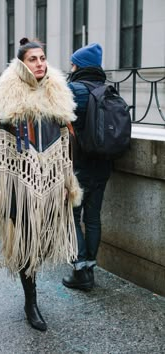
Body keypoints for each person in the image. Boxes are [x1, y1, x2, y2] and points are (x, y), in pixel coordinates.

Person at [0, 37, 82, 332]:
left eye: (43, 57)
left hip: (53, 182)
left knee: (42, 243)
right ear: (21, 63)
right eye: (33, 59)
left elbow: (69, 137)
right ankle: (30, 301)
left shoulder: (57, 92)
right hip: (18, 184)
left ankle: (31, 289)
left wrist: (67, 179)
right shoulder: (5, 96)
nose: (40, 63)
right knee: (26, 246)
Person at [62, 43, 113, 290]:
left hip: (78, 165)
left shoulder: (74, 89)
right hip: (103, 165)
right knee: (93, 217)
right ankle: (90, 268)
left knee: (71, 217)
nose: (70, 67)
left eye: (72, 63)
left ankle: (80, 270)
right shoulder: (108, 89)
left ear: (79, 65)